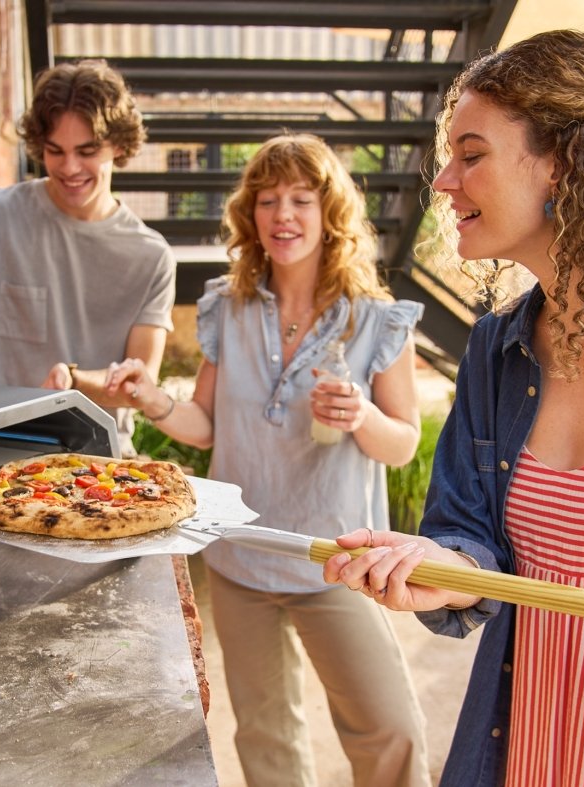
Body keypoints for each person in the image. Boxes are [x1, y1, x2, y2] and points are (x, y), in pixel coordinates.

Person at [323, 29, 584, 786]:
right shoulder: (493, 351)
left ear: (565, 163)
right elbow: (472, 539)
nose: (444, 181)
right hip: (528, 728)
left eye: (471, 153)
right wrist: (445, 568)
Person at [105, 134, 429, 787]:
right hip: (242, 553)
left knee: (388, 730)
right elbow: (205, 425)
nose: (283, 214)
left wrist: (363, 416)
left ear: (328, 209)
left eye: (300, 199)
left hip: (337, 557)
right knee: (264, 736)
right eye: (268, 199)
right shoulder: (227, 305)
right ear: (250, 214)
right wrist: (153, 399)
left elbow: (404, 442)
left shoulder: (376, 320)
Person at [0, 59, 175, 456]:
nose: (69, 167)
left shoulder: (151, 256)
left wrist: (74, 380)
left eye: (87, 151)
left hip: (100, 461)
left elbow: (139, 383)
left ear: (118, 145)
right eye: (55, 151)